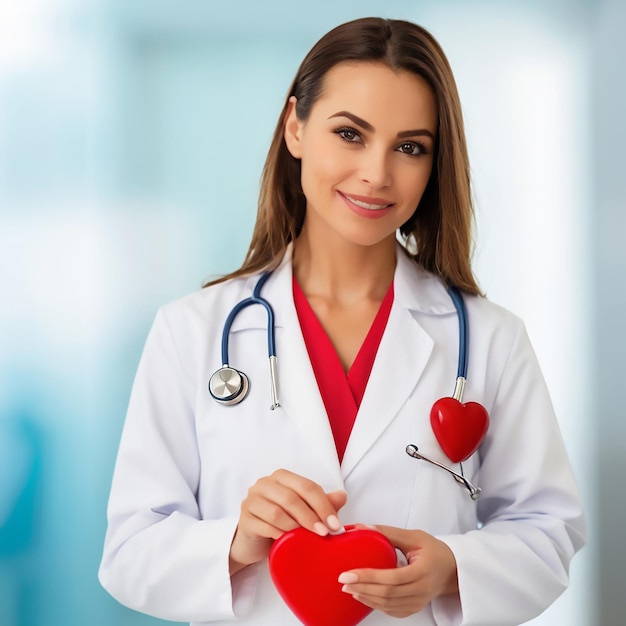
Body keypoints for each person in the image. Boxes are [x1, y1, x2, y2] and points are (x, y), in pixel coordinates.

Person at [98, 16, 586, 626]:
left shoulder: (489, 339)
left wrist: (453, 567)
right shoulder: (192, 332)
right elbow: (127, 555)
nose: (377, 173)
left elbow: (549, 532)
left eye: (410, 147)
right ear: (295, 126)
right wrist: (238, 541)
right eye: (350, 134)